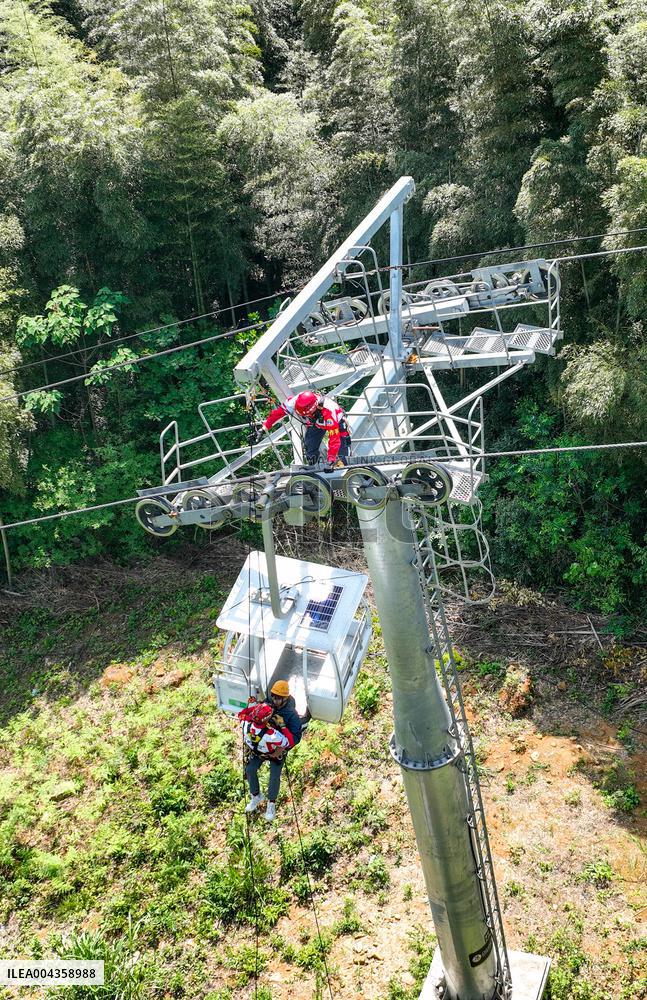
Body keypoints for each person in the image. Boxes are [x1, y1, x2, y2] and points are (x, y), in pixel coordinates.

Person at [239, 680, 302, 821]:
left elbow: (296, 738)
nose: (275, 700)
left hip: (277, 748)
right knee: (250, 769)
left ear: (285, 698)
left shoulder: (292, 714)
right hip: (262, 745)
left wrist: (283, 728)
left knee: (274, 775)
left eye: (278, 698)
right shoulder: (267, 703)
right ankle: (256, 796)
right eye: (273, 696)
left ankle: (271, 803)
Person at [257, 390, 351, 468]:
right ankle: (314, 468)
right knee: (310, 446)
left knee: (342, 455)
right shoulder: (295, 401)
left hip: (336, 422)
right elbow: (279, 412)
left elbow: (334, 439)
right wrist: (265, 427)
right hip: (317, 422)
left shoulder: (329, 411)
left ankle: (344, 469)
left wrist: (331, 459)